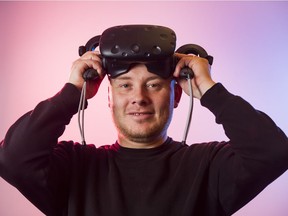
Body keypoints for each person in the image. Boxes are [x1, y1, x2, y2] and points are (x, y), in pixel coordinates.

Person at [0, 41, 288, 216]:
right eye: (125, 85)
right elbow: (13, 159)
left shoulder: (208, 167)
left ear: (176, 95)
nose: (139, 96)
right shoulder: (75, 167)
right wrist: (72, 93)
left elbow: (273, 152)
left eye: (154, 85)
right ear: (108, 97)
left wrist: (209, 90)